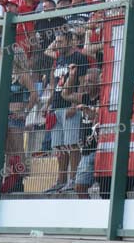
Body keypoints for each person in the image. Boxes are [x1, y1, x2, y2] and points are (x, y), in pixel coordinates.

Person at [45, 31, 88, 193]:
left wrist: (75, 104)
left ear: (70, 41)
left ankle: (73, 179)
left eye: (61, 41)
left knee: (72, 144)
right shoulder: (59, 59)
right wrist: (48, 104)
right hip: (56, 106)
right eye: (56, 42)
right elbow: (54, 84)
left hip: (70, 106)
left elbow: (82, 83)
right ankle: (61, 180)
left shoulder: (78, 57)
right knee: (59, 146)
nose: (57, 45)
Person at [64, 68, 101, 198]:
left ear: (98, 82)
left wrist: (88, 111)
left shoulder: (103, 98)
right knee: (79, 187)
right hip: (87, 151)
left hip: (100, 149)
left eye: (90, 81)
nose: (86, 84)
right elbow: (65, 94)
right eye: (85, 81)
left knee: (105, 190)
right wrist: (71, 76)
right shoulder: (84, 97)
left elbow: (98, 117)